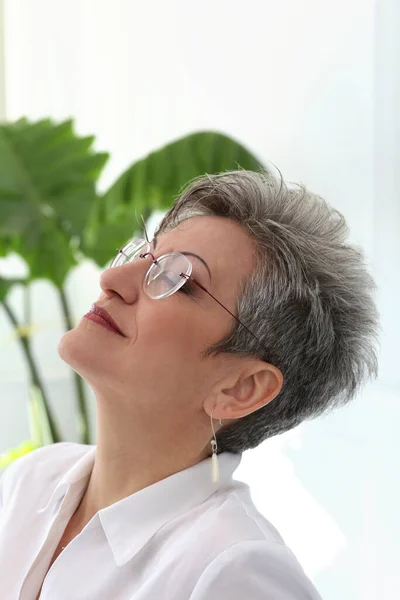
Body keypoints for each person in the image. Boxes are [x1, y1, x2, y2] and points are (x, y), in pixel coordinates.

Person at [0, 169, 379, 599]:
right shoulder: (34, 480)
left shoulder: (233, 572)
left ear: (242, 388)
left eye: (179, 281)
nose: (112, 281)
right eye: (145, 256)